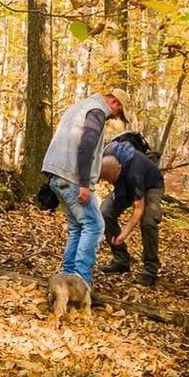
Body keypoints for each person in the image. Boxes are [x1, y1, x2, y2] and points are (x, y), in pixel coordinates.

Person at [41, 89, 132, 285]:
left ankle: (67, 278)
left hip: (57, 173)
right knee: (95, 225)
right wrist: (84, 183)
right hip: (71, 176)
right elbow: (86, 147)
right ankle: (81, 280)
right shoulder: (96, 112)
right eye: (119, 113)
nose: (116, 117)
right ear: (114, 103)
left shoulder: (81, 106)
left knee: (77, 226)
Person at [99, 141, 164, 287]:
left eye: (111, 180)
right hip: (123, 185)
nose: (109, 183)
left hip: (151, 186)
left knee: (148, 221)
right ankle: (121, 260)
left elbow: (138, 208)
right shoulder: (106, 155)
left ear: (119, 169)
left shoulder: (134, 174)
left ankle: (150, 269)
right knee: (105, 213)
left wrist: (123, 234)